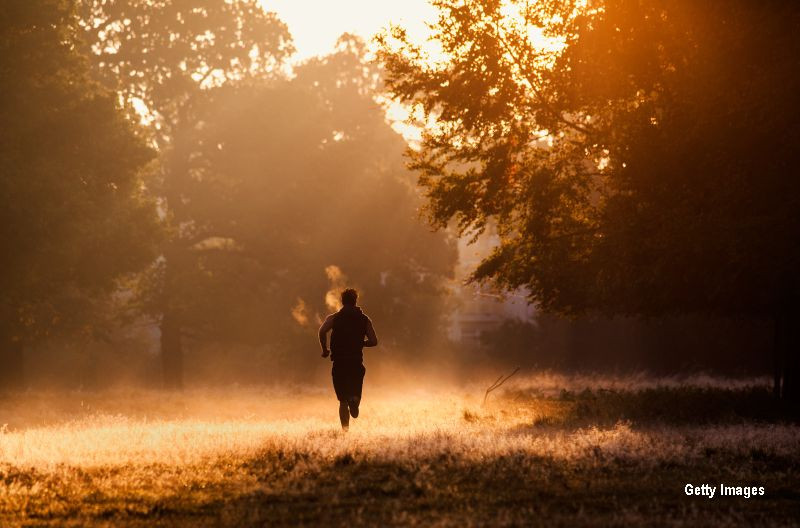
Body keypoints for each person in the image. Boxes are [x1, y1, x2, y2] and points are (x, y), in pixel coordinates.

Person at [318, 288, 378, 430]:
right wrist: (360, 343)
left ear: (342, 301)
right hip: (356, 362)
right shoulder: (364, 319)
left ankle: (345, 431)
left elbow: (322, 331)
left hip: (339, 363)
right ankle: (355, 401)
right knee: (354, 394)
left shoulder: (334, 318)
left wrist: (325, 349)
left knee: (342, 401)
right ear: (355, 301)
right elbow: (374, 341)